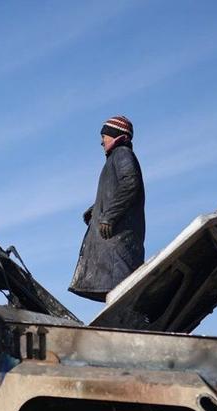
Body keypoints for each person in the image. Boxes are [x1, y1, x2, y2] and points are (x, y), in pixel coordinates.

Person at [68, 115, 146, 302]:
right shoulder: (116, 158)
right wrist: (96, 209)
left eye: (104, 136)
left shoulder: (122, 154)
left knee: (122, 288)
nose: (102, 142)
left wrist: (109, 215)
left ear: (115, 135)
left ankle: (123, 312)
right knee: (116, 290)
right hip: (116, 238)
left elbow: (130, 184)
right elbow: (116, 191)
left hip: (118, 238)